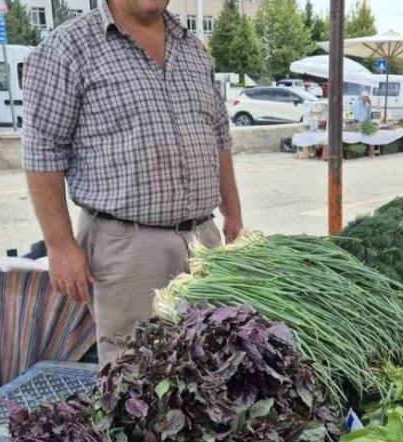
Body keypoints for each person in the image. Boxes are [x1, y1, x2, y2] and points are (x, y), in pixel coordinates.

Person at [21, 0, 243, 364]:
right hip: (127, 247)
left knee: (211, 364)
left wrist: (232, 213)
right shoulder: (68, 48)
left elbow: (219, 136)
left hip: (203, 240)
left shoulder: (194, 50)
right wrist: (60, 246)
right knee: (136, 373)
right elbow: (42, 151)